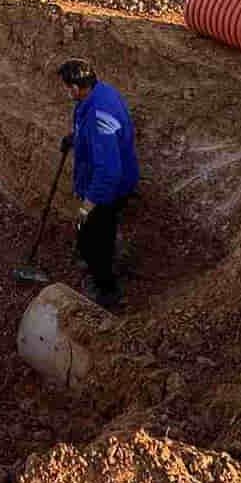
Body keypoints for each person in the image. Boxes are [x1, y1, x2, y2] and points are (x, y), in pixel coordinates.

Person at [58, 59, 138, 309]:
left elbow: (108, 171)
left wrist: (89, 203)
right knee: (90, 231)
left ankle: (106, 291)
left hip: (109, 188)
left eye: (65, 87)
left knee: (97, 236)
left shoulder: (98, 116)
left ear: (74, 88)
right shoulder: (98, 93)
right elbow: (92, 133)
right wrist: (75, 138)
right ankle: (87, 253)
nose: (65, 92)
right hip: (100, 178)